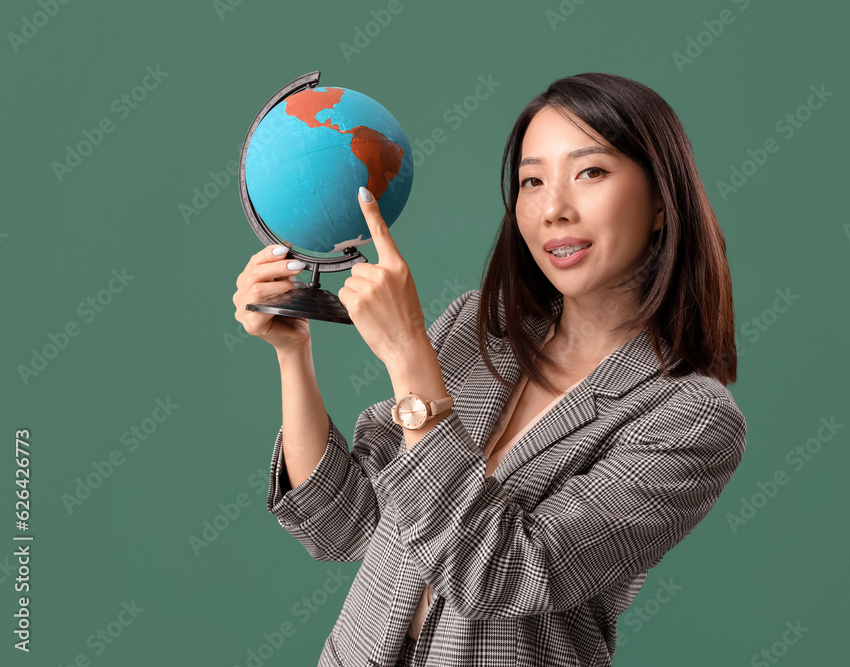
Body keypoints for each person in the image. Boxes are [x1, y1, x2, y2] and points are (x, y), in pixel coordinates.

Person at [233, 72, 747, 667]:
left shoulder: (690, 418)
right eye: (533, 180)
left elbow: (501, 574)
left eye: (591, 172)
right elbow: (343, 525)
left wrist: (407, 357)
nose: (554, 208)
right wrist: (292, 352)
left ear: (662, 201)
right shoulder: (479, 329)